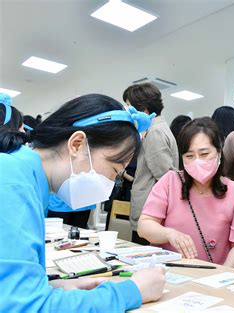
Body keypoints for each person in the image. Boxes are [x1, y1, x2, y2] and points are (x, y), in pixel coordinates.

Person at [0, 94, 166, 312]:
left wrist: (52, 286)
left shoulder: (24, 175)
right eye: (114, 170)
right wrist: (130, 291)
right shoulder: (13, 181)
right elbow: (25, 307)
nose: (109, 183)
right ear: (77, 144)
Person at [137, 117, 234, 267]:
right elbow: (144, 226)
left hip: (214, 276)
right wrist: (170, 234)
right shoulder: (170, 182)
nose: (197, 161)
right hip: (170, 272)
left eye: (204, 154)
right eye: (189, 156)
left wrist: (221, 276)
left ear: (219, 153)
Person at [123, 83, 179, 244]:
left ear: (143, 109)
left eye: (129, 106)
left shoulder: (155, 132)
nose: (127, 111)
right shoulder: (155, 128)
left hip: (149, 209)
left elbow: (165, 175)